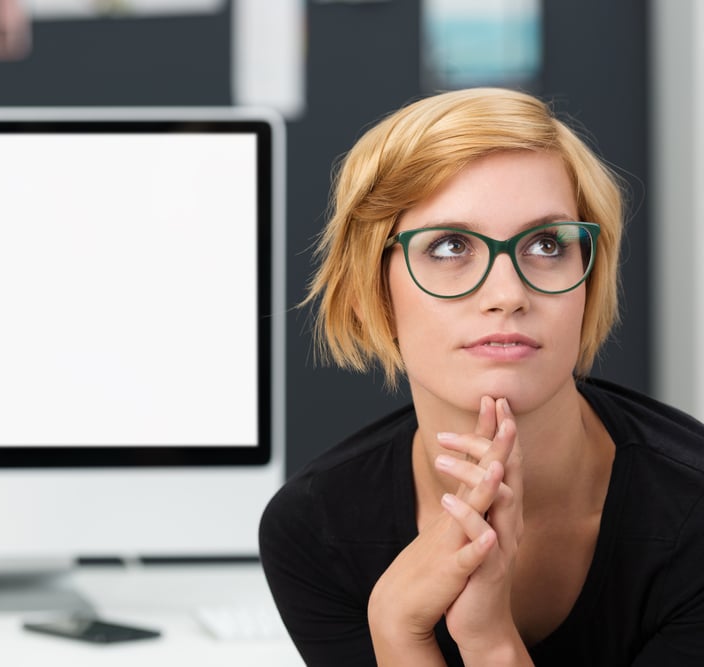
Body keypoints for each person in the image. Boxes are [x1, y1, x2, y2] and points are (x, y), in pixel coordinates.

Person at [259, 87, 704, 666]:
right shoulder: (318, 528)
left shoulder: (693, 515)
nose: (507, 294)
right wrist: (398, 631)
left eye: (547, 244)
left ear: (588, 285)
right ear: (371, 295)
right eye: (449, 246)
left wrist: (489, 641)